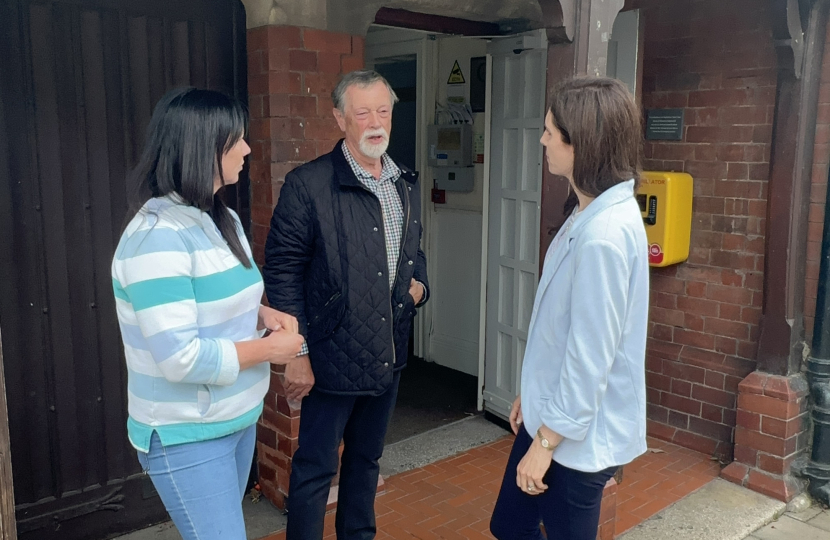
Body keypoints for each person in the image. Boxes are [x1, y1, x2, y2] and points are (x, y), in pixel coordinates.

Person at [111, 88, 305, 540]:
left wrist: (263, 315)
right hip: (187, 435)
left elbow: (216, 300)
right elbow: (180, 357)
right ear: (201, 147)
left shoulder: (221, 219)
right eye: (235, 139)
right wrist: (269, 349)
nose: (247, 149)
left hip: (235, 420)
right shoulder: (155, 237)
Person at [263, 70, 430, 540]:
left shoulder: (403, 182)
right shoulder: (308, 185)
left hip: (388, 355)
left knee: (365, 463)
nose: (375, 122)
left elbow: (413, 255)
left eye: (383, 111)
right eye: (363, 113)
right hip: (331, 357)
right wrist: (297, 353)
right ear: (340, 118)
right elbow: (282, 271)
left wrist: (420, 288)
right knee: (316, 468)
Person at [489, 76, 649, 540]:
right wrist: (533, 393)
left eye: (550, 131)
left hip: (574, 442)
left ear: (582, 144)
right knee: (510, 525)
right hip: (554, 418)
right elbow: (562, 332)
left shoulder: (602, 236)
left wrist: (544, 442)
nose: (542, 139)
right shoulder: (590, 210)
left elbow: (590, 356)